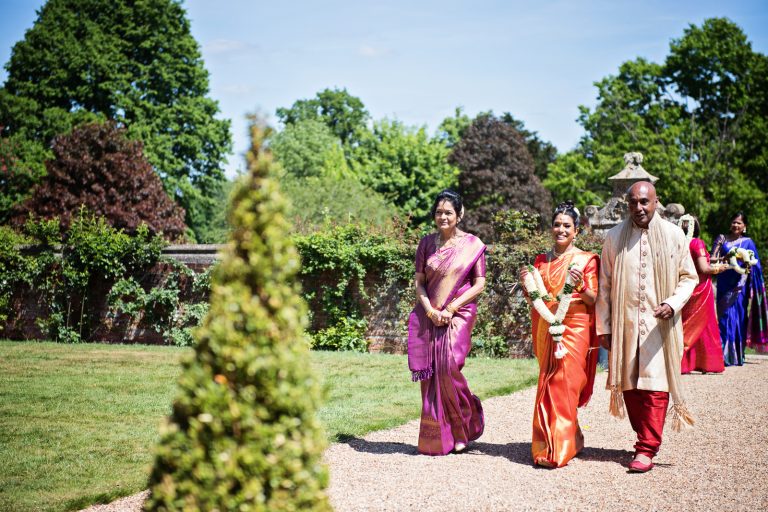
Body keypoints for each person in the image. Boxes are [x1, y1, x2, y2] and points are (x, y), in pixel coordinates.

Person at [595, 181, 698, 473]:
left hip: (660, 326)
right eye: (633, 203)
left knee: (655, 386)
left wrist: (673, 303)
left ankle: (647, 447)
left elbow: (689, 277)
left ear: (656, 202)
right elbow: (605, 285)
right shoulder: (614, 237)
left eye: (644, 202)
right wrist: (604, 326)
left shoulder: (674, 235)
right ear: (627, 205)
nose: (638, 208)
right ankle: (644, 436)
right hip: (625, 323)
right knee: (630, 386)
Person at [519, 201, 599, 468]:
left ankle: (560, 448)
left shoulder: (586, 260)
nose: (561, 230)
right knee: (548, 382)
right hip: (547, 325)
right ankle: (558, 439)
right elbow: (536, 298)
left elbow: (592, 299)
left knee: (565, 383)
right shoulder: (541, 261)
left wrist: (580, 284)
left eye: (567, 226)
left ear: (576, 230)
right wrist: (526, 284)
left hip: (574, 325)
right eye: (557, 225)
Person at [407, 190, 486, 455]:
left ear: (459, 215)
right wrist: (430, 310)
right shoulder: (426, 244)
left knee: (449, 366)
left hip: (460, 312)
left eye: (448, 212)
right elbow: (419, 283)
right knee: (432, 373)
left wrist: (452, 307)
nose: (443, 216)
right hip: (430, 315)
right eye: (439, 212)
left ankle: (465, 422)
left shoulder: (473, 245)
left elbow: (479, 284)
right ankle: (444, 435)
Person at [711, 212, 768, 365]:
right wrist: (725, 258)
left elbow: (756, 265)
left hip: (739, 286)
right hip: (724, 284)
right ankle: (723, 356)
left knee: (739, 319)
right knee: (723, 319)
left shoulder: (748, 243)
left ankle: (736, 355)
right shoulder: (722, 239)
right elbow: (711, 259)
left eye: (739, 223)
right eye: (734, 222)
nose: (736, 225)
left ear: (744, 227)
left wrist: (747, 263)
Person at [678, 215, 726, 374]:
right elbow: (704, 268)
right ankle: (706, 363)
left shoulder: (679, 243)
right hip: (701, 289)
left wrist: (718, 259)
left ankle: (684, 362)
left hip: (685, 288)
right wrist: (722, 268)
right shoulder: (697, 243)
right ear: (697, 228)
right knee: (705, 325)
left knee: (687, 325)